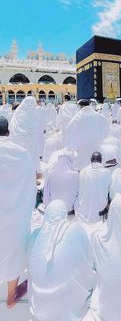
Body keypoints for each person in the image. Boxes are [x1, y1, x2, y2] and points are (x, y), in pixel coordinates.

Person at [28, 200, 95, 321]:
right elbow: (89, 261)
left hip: (39, 305)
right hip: (65, 307)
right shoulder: (75, 229)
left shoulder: (36, 235)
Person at [0, 116, 35, 308]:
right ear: (9, 132)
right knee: (13, 249)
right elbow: (31, 182)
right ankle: (11, 294)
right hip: (15, 212)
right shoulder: (22, 153)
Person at [65, 99, 109, 170]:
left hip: (82, 145)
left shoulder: (79, 115)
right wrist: (101, 137)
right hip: (95, 143)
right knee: (95, 164)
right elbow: (106, 124)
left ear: (82, 106)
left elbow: (69, 128)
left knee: (83, 165)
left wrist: (72, 144)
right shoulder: (97, 114)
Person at [75, 152, 112, 223]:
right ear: (101, 160)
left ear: (90, 160)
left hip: (83, 210)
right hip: (100, 211)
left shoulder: (83, 171)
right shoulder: (107, 172)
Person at [9, 96, 44, 170]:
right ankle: (32, 174)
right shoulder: (35, 112)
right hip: (30, 140)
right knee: (31, 156)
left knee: (19, 156)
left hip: (17, 139)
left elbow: (12, 125)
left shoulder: (17, 112)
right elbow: (39, 126)